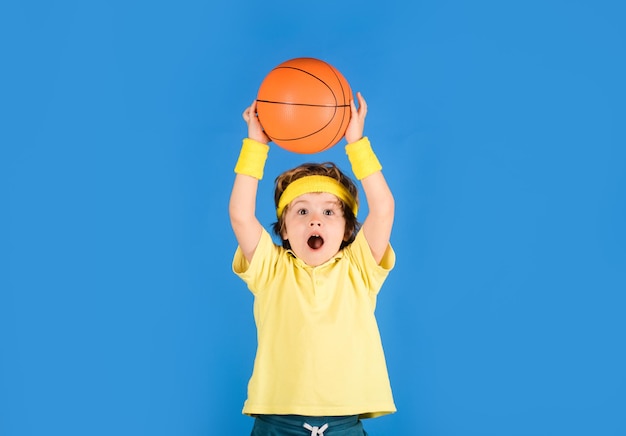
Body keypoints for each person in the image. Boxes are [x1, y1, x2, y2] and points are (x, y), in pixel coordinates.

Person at [229, 92, 396, 436]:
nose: (315, 220)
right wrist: (255, 145)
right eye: (301, 211)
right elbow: (241, 216)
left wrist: (357, 143)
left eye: (329, 211)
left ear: (349, 228)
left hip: (345, 423)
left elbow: (383, 209)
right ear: (285, 231)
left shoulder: (359, 268)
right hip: (276, 422)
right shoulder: (270, 269)